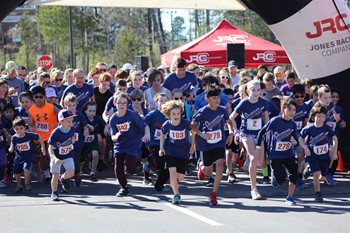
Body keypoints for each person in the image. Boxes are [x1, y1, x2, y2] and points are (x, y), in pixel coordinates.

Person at [256, 98, 311, 205]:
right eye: (289, 109)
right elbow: (261, 132)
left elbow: (297, 139)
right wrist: (258, 148)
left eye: (294, 110)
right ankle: (274, 174)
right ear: (283, 109)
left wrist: (301, 146)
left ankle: (290, 197)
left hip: (288, 154)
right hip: (275, 155)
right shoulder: (275, 121)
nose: (292, 113)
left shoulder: (293, 124)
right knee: (281, 178)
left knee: (293, 175)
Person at [191, 85, 234, 205]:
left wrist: (231, 133)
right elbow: (193, 125)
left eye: (218, 97)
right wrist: (202, 134)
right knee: (208, 171)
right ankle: (201, 166)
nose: (217, 100)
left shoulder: (222, 110)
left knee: (220, 164)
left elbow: (229, 121)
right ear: (207, 99)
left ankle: (214, 193)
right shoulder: (203, 111)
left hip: (219, 143)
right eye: (214, 98)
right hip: (206, 145)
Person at [229, 80, 269, 200]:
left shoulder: (263, 102)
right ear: (247, 91)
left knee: (259, 161)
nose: (256, 92)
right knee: (253, 158)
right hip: (246, 133)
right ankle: (254, 189)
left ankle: (248, 158)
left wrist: (268, 131)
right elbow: (231, 118)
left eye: (258, 90)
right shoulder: (244, 103)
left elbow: (266, 118)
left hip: (259, 133)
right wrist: (235, 131)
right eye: (253, 90)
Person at [109, 93, 150, 196]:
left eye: (124, 103)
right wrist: (116, 136)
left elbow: (145, 126)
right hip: (120, 144)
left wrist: (147, 134)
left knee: (130, 168)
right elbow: (112, 136)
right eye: (119, 103)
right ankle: (123, 187)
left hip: (133, 143)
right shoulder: (113, 119)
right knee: (118, 167)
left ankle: (138, 164)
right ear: (115, 103)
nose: (122, 105)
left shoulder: (132, 115)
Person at [159, 100, 195, 204]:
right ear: (168, 114)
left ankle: (174, 183)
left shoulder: (185, 123)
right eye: (173, 114)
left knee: (180, 177)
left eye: (178, 113)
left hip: (183, 152)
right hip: (170, 151)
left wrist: (192, 146)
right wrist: (161, 148)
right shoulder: (167, 125)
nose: (176, 116)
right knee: (173, 174)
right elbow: (162, 135)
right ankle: (176, 194)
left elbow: (193, 133)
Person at [301, 105, 338, 202]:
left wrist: (334, 152)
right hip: (313, 155)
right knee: (316, 174)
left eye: (323, 116)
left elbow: (335, 139)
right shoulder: (309, 129)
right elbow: (300, 138)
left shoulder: (327, 128)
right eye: (318, 116)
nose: (321, 118)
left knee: (323, 177)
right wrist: (305, 148)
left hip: (324, 156)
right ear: (313, 117)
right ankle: (318, 193)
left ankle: (308, 168)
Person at [28, 86, 60, 183]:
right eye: (36, 97)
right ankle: (46, 174)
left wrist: (58, 124)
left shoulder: (51, 107)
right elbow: (30, 124)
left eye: (41, 97)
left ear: (45, 97)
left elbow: (61, 114)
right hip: (39, 138)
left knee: (52, 156)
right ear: (33, 98)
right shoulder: (31, 110)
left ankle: (55, 174)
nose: (38, 99)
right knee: (41, 158)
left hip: (51, 137)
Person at [9, 117, 45, 193]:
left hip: (29, 156)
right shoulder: (14, 137)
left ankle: (27, 183)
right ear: (14, 129)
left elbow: (39, 137)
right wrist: (11, 149)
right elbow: (12, 145)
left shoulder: (29, 135)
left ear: (25, 128)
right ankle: (19, 186)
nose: (19, 131)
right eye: (17, 129)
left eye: (21, 128)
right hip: (19, 157)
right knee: (16, 173)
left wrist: (43, 147)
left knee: (26, 168)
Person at [48, 109, 76, 201]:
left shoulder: (72, 129)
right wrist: (54, 158)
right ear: (61, 121)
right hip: (57, 156)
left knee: (71, 172)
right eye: (68, 121)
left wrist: (72, 141)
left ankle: (63, 178)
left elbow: (72, 138)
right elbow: (50, 147)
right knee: (55, 174)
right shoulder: (56, 133)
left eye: (71, 121)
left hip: (68, 154)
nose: (70, 123)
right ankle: (54, 192)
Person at [62, 93, 89, 188]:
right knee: (67, 160)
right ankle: (66, 178)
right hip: (66, 142)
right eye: (69, 105)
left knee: (75, 160)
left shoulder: (79, 114)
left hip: (78, 142)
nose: (71, 108)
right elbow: (60, 126)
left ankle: (77, 174)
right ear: (65, 105)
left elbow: (85, 126)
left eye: (73, 105)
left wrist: (86, 131)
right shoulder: (63, 114)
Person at [144, 93, 169, 189]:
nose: (163, 102)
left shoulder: (170, 114)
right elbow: (143, 124)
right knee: (159, 162)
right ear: (156, 103)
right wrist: (146, 133)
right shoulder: (152, 115)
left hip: (166, 143)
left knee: (166, 164)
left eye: (165, 100)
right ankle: (148, 164)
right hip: (153, 142)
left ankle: (159, 183)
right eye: (161, 101)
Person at [82, 102, 108, 182]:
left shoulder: (97, 118)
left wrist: (106, 128)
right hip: (83, 143)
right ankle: (78, 174)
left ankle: (93, 172)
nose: (92, 113)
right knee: (81, 161)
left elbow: (105, 124)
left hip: (93, 141)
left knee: (95, 154)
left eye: (94, 111)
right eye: (90, 111)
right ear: (85, 111)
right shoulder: (83, 118)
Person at [291, 84, 310, 190]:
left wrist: (304, 135)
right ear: (293, 96)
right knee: (289, 157)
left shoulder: (306, 107)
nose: (299, 98)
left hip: (299, 135)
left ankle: (298, 178)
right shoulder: (290, 105)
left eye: (301, 96)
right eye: (297, 96)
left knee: (301, 156)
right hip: (289, 135)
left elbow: (306, 122)